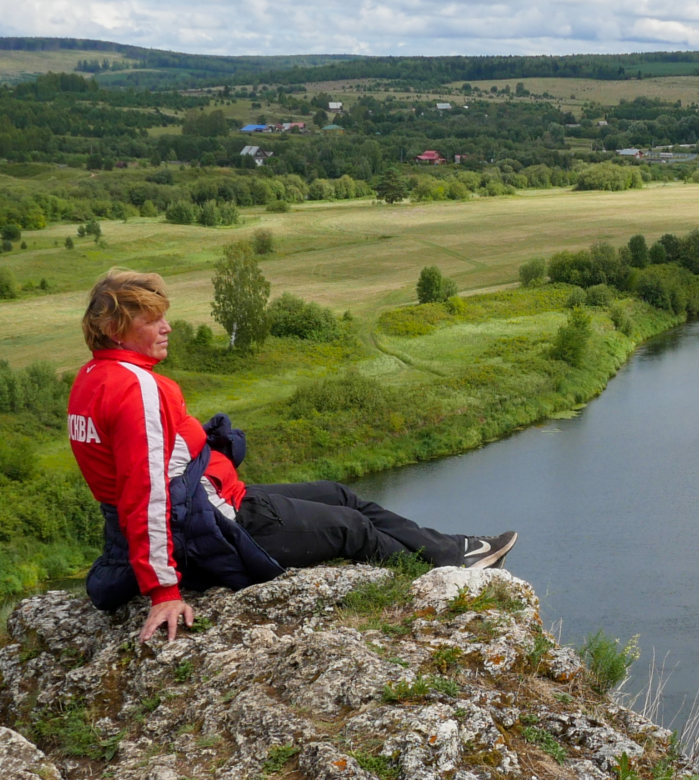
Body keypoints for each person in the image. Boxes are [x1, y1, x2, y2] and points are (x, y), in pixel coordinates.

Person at [67, 269, 515, 642]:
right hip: (212, 528)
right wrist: (164, 591)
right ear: (113, 329)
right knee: (351, 528)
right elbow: (146, 495)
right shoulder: (137, 388)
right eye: (152, 320)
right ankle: (443, 581)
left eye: (164, 317)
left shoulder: (93, 378)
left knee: (338, 494)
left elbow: (152, 464)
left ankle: (452, 550)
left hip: (209, 506)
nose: (167, 328)